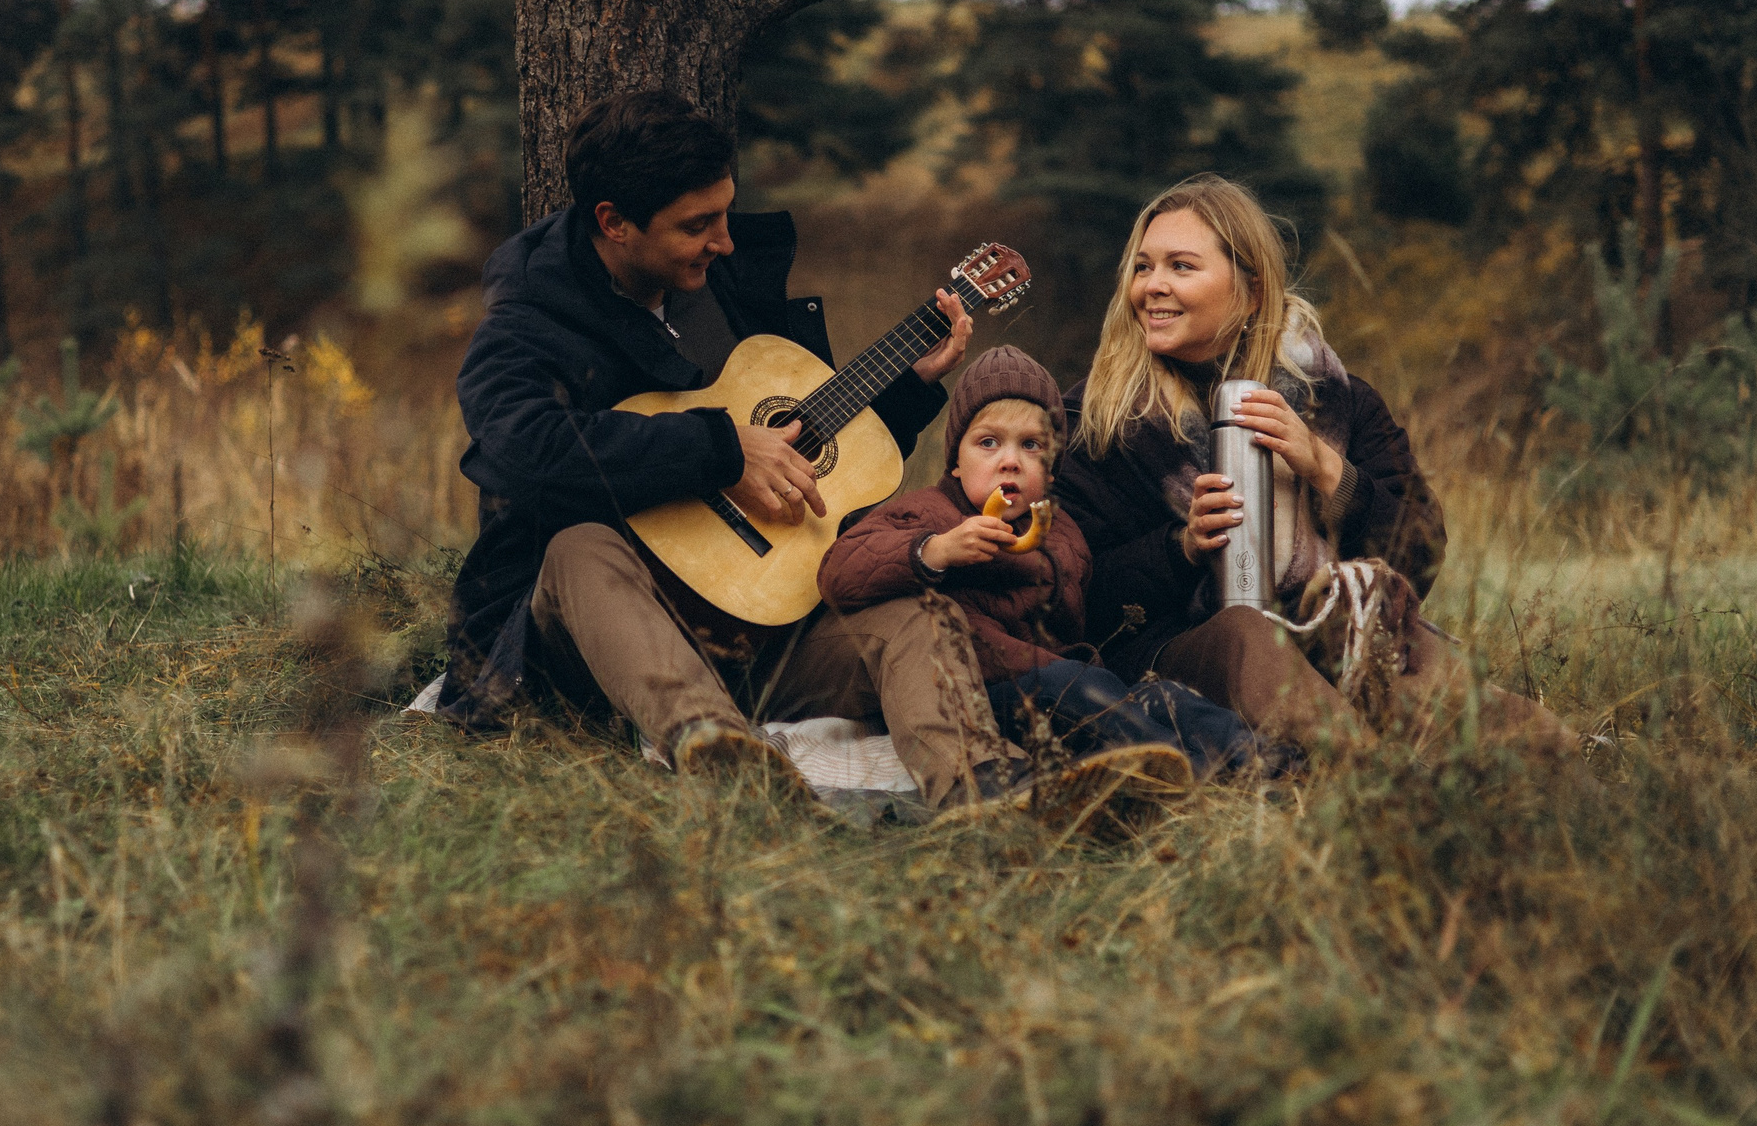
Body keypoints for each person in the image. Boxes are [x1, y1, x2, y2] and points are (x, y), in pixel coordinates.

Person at [440, 91, 1034, 811]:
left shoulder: (721, 286)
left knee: (913, 612)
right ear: (614, 223)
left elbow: (802, 441)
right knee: (578, 547)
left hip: (760, 634)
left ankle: (985, 793)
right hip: (600, 644)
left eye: (726, 213)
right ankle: (725, 761)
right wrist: (720, 451)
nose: (724, 242)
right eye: (697, 225)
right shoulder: (529, 321)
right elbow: (522, 447)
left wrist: (907, 390)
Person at [1050, 174, 1575, 755]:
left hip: (1327, 628)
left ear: (1251, 291)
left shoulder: (1336, 400)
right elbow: (1072, 595)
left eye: (1181, 266)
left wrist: (1329, 471)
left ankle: (1543, 760)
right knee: (1247, 634)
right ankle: (1364, 775)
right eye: (1143, 267)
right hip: (1181, 652)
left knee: (1418, 662)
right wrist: (1182, 548)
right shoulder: (1098, 419)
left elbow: (1420, 555)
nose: (1153, 286)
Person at [819, 347, 1269, 828]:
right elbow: (839, 570)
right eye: (988, 443)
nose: (1010, 461)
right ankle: (1191, 785)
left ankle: (1268, 768)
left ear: (1052, 471)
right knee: (1082, 692)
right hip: (985, 692)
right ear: (955, 461)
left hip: (1061, 682)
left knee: (1167, 700)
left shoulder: (1065, 535)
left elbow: (1088, 615)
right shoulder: (931, 513)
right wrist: (935, 550)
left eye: (1031, 446)